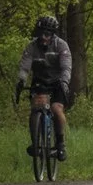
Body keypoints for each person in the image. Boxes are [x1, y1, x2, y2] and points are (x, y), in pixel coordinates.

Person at [18, 14, 72, 158]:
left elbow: (66, 67)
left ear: (52, 34)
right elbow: (25, 67)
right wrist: (22, 80)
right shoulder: (31, 46)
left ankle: (60, 144)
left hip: (58, 82)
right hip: (40, 82)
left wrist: (64, 82)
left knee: (56, 109)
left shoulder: (61, 45)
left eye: (47, 34)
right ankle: (35, 142)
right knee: (36, 108)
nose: (43, 37)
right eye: (41, 33)